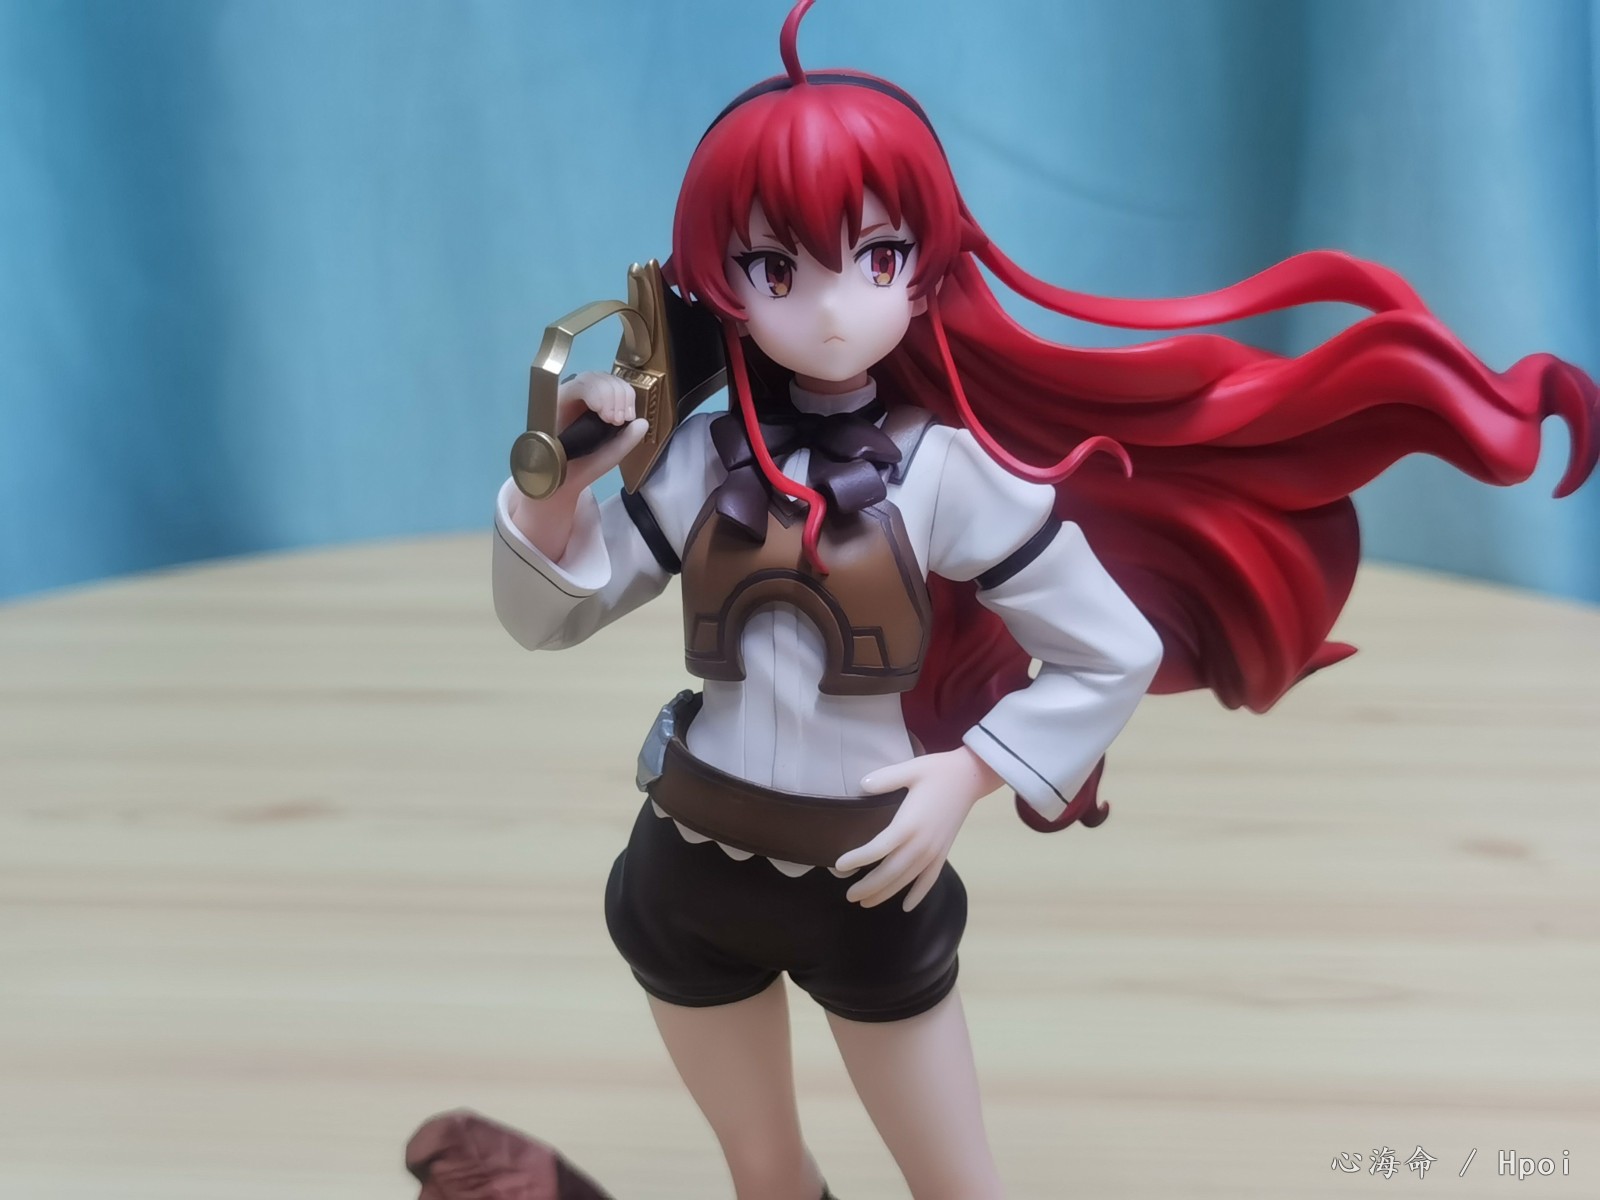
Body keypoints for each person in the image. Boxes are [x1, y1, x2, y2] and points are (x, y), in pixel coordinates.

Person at [489, 3, 1599, 1197]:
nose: (831, 308)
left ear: (924, 271)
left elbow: (1107, 648)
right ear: (721, 285)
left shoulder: (945, 472)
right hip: (687, 865)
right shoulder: (699, 464)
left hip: (867, 875)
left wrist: (974, 773)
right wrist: (556, 491)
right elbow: (549, 615)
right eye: (776, 269)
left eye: (877, 258)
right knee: (763, 1175)